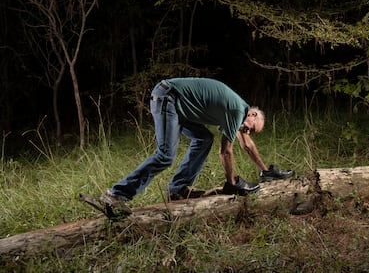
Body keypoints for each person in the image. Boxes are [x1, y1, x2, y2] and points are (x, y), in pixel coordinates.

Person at [100, 77, 293, 217]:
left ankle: (177, 189)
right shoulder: (236, 110)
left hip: (178, 106)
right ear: (252, 115)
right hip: (168, 98)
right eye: (252, 129)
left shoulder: (240, 110)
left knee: (204, 139)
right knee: (166, 155)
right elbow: (226, 150)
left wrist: (265, 171)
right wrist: (232, 183)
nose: (248, 132)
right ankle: (116, 194)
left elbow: (247, 144)